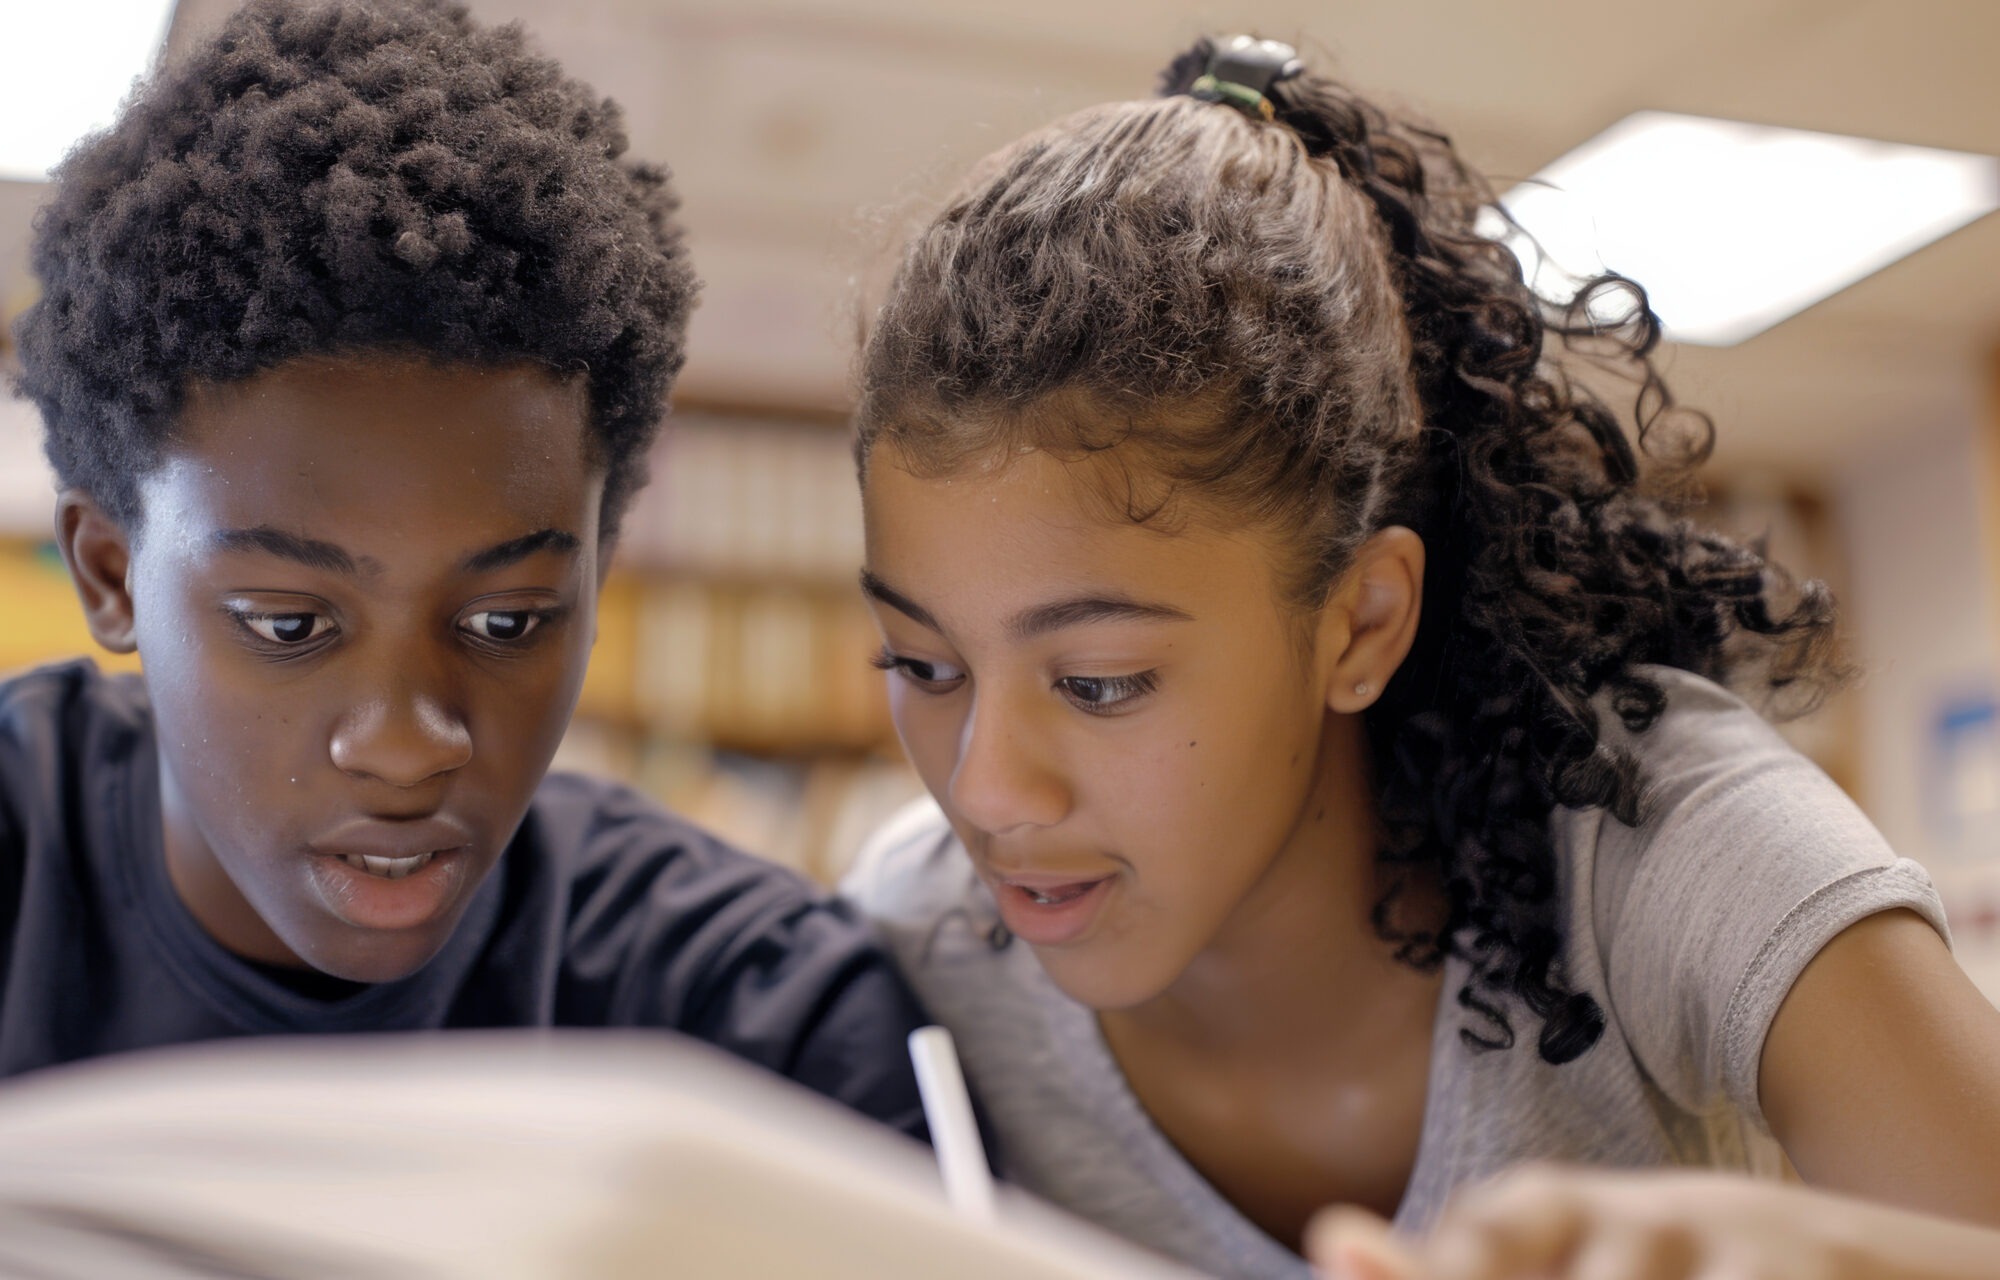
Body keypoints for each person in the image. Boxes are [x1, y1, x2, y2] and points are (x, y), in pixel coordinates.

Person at [0, 3, 927, 1275]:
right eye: (288, 622)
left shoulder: (747, 1008)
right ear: (106, 575)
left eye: (508, 619)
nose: (408, 737)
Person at [837, 33, 2000, 1280]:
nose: (984, 791)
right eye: (922, 664)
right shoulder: (915, 939)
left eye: (1097, 680)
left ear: (1362, 621)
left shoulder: (1657, 833)